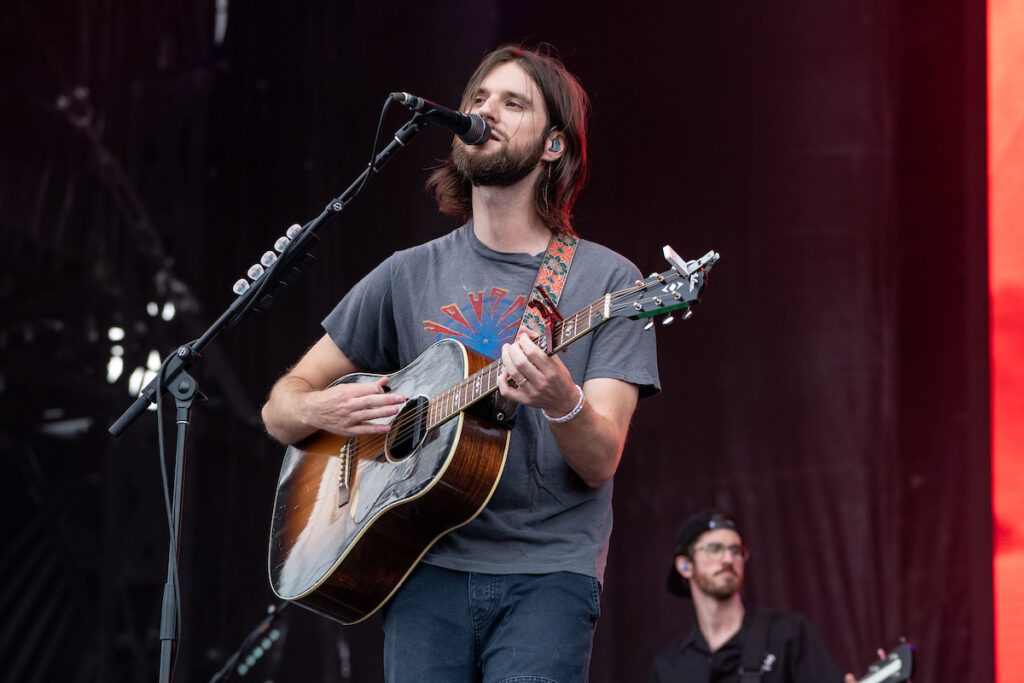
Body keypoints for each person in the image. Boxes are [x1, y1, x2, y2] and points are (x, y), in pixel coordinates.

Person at [262, 44, 659, 683]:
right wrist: (318, 406)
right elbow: (280, 408)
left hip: (547, 575)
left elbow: (600, 459)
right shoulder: (405, 273)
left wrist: (561, 399)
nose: (484, 112)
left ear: (554, 146)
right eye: (478, 99)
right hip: (422, 566)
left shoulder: (609, 281)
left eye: (512, 103)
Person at [651, 509, 864, 683]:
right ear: (685, 565)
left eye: (736, 550)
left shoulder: (787, 634)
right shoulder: (670, 666)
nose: (728, 558)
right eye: (714, 549)